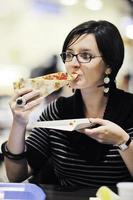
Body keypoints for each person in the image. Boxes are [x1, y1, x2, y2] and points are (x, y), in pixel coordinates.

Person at [1, 20, 133, 188]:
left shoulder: (129, 110)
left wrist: (123, 141)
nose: (73, 63)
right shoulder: (58, 110)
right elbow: (16, 176)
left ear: (109, 65)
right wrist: (18, 122)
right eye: (69, 55)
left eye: (86, 56)